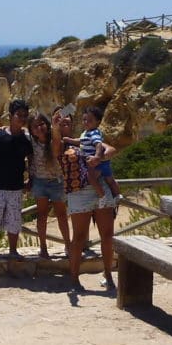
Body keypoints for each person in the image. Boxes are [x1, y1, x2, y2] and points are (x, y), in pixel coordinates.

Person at [53, 108, 118, 289]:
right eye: (60, 122)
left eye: (67, 122)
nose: (64, 124)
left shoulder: (89, 137)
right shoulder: (61, 143)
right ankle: (74, 279)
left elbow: (111, 149)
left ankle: (108, 276)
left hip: (99, 187)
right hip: (79, 192)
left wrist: (98, 158)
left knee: (107, 235)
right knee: (79, 238)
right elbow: (56, 147)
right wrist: (55, 128)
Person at [0, 98, 31, 265]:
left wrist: (30, 179)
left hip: (15, 188)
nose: (22, 118)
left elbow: (31, 159)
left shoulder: (25, 139)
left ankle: (13, 250)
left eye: (25, 115)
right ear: (10, 116)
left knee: (14, 221)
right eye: (19, 115)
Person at [26, 109, 70, 261]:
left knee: (62, 215)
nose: (39, 128)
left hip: (57, 182)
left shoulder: (55, 138)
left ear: (47, 124)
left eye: (42, 124)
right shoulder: (31, 141)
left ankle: (68, 245)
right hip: (39, 182)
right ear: (31, 130)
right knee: (42, 216)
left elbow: (56, 147)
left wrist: (56, 122)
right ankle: (43, 248)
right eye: (35, 126)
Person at [66, 104, 118, 202]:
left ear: (98, 122)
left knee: (91, 178)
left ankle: (102, 197)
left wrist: (97, 157)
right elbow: (80, 141)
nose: (86, 122)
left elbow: (98, 144)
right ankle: (117, 196)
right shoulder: (86, 133)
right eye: (84, 120)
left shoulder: (93, 133)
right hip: (101, 162)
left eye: (89, 120)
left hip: (95, 162)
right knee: (110, 180)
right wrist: (70, 140)